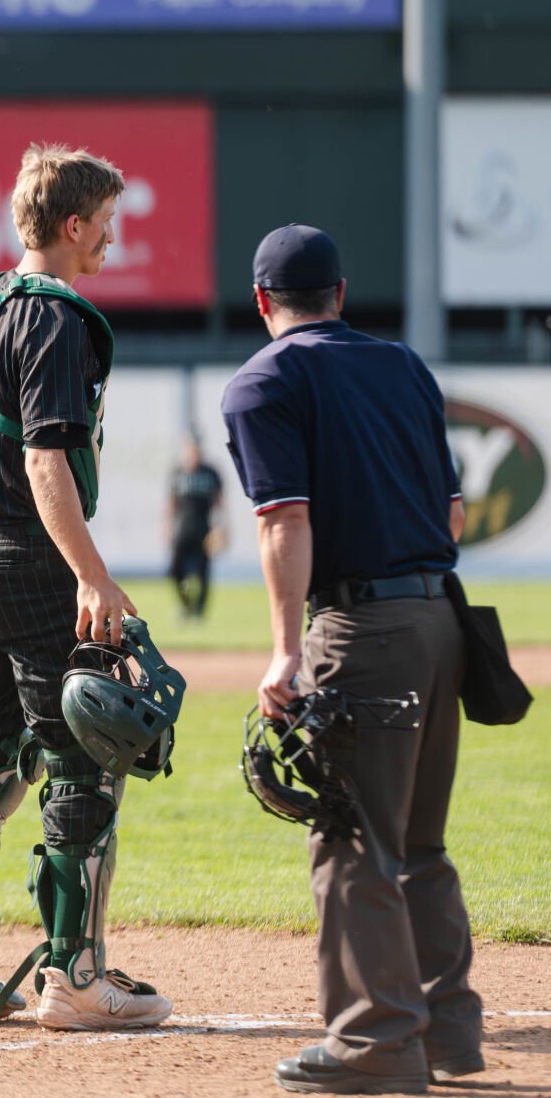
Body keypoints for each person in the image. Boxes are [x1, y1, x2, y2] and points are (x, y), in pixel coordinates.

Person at [0, 143, 172, 1032]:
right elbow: (44, 456)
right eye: (105, 227)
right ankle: (77, 981)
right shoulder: (56, 316)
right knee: (79, 764)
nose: (110, 244)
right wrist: (90, 574)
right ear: (71, 223)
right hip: (29, 559)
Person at [221, 224, 483, 1095]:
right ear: (340, 292)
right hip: (442, 621)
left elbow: (282, 521)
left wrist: (286, 651)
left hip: (361, 631)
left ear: (262, 301)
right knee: (418, 842)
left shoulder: (264, 380)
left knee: (350, 841)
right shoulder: (404, 366)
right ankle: (446, 1033)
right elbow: (449, 517)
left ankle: (373, 1044)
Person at [164, 437, 224, 621]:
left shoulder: (210, 472)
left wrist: (220, 528)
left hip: (203, 529)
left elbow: (219, 502)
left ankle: (199, 610)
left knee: (203, 572)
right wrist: (166, 526)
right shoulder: (178, 472)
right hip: (181, 529)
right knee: (174, 570)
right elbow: (171, 502)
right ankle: (185, 605)